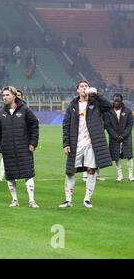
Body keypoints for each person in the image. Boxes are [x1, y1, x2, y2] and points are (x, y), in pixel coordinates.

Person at [59, 80, 112, 208]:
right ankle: (68, 200)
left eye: (86, 86)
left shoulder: (96, 103)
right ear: (77, 90)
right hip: (75, 143)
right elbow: (66, 125)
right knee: (71, 170)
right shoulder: (72, 105)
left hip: (91, 144)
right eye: (81, 86)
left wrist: (96, 94)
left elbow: (109, 106)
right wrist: (66, 143)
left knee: (91, 170)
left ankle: (87, 199)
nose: (84, 88)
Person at [0, 86, 40, 208]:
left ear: (14, 96)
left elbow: (34, 125)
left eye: (7, 95)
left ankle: (31, 200)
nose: (5, 97)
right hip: (7, 148)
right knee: (10, 175)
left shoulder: (25, 110)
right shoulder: (0, 112)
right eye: (3, 95)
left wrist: (33, 143)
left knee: (28, 173)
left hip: (24, 147)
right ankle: (14, 200)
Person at [103, 94, 133, 182]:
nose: (116, 103)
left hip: (126, 138)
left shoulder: (127, 111)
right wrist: (115, 136)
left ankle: (131, 175)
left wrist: (123, 135)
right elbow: (108, 126)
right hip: (114, 138)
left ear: (121, 101)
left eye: (118, 101)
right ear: (113, 101)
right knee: (117, 157)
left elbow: (130, 125)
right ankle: (120, 176)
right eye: (115, 101)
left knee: (129, 157)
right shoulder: (108, 112)